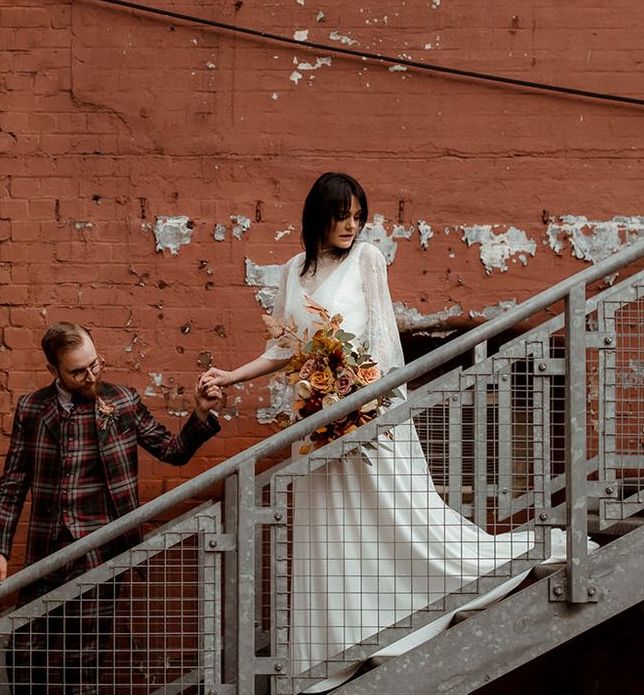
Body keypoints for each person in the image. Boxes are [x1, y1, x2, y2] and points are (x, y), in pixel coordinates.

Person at [199, 172, 569, 689]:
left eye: (357, 216)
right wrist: (230, 376)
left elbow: (382, 339)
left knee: (392, 511)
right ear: (318, 217)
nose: (351, 226)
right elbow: (286, 351)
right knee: (328, 530)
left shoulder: (367, 259)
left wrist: (364, 400)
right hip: (318, 421)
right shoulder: (291, 271)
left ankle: (417, 600)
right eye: (342, 216)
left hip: (367, 413)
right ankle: (342, 641)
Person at [0, 321, 223, 694]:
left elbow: (172, 451)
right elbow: (14, 482)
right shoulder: (31, 409)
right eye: (78, 371)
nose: (91, 375)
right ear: (54, 371)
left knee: (84, 660)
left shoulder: (123, 402)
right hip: (46, 551)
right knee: (24, 651)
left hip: (99, 552)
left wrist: (201, 413)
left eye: (95, 364)